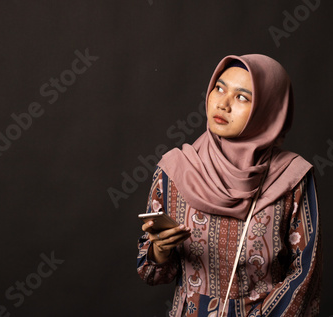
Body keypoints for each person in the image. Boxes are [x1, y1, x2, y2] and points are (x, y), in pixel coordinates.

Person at [137, 54, 321, 316]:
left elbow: (305, 271)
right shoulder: (174, 171)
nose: (222, 104)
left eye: (242, 97)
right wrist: (159, 250)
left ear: (269, 109)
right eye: (219, 89)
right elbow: (151, 273)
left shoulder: (291, 177)